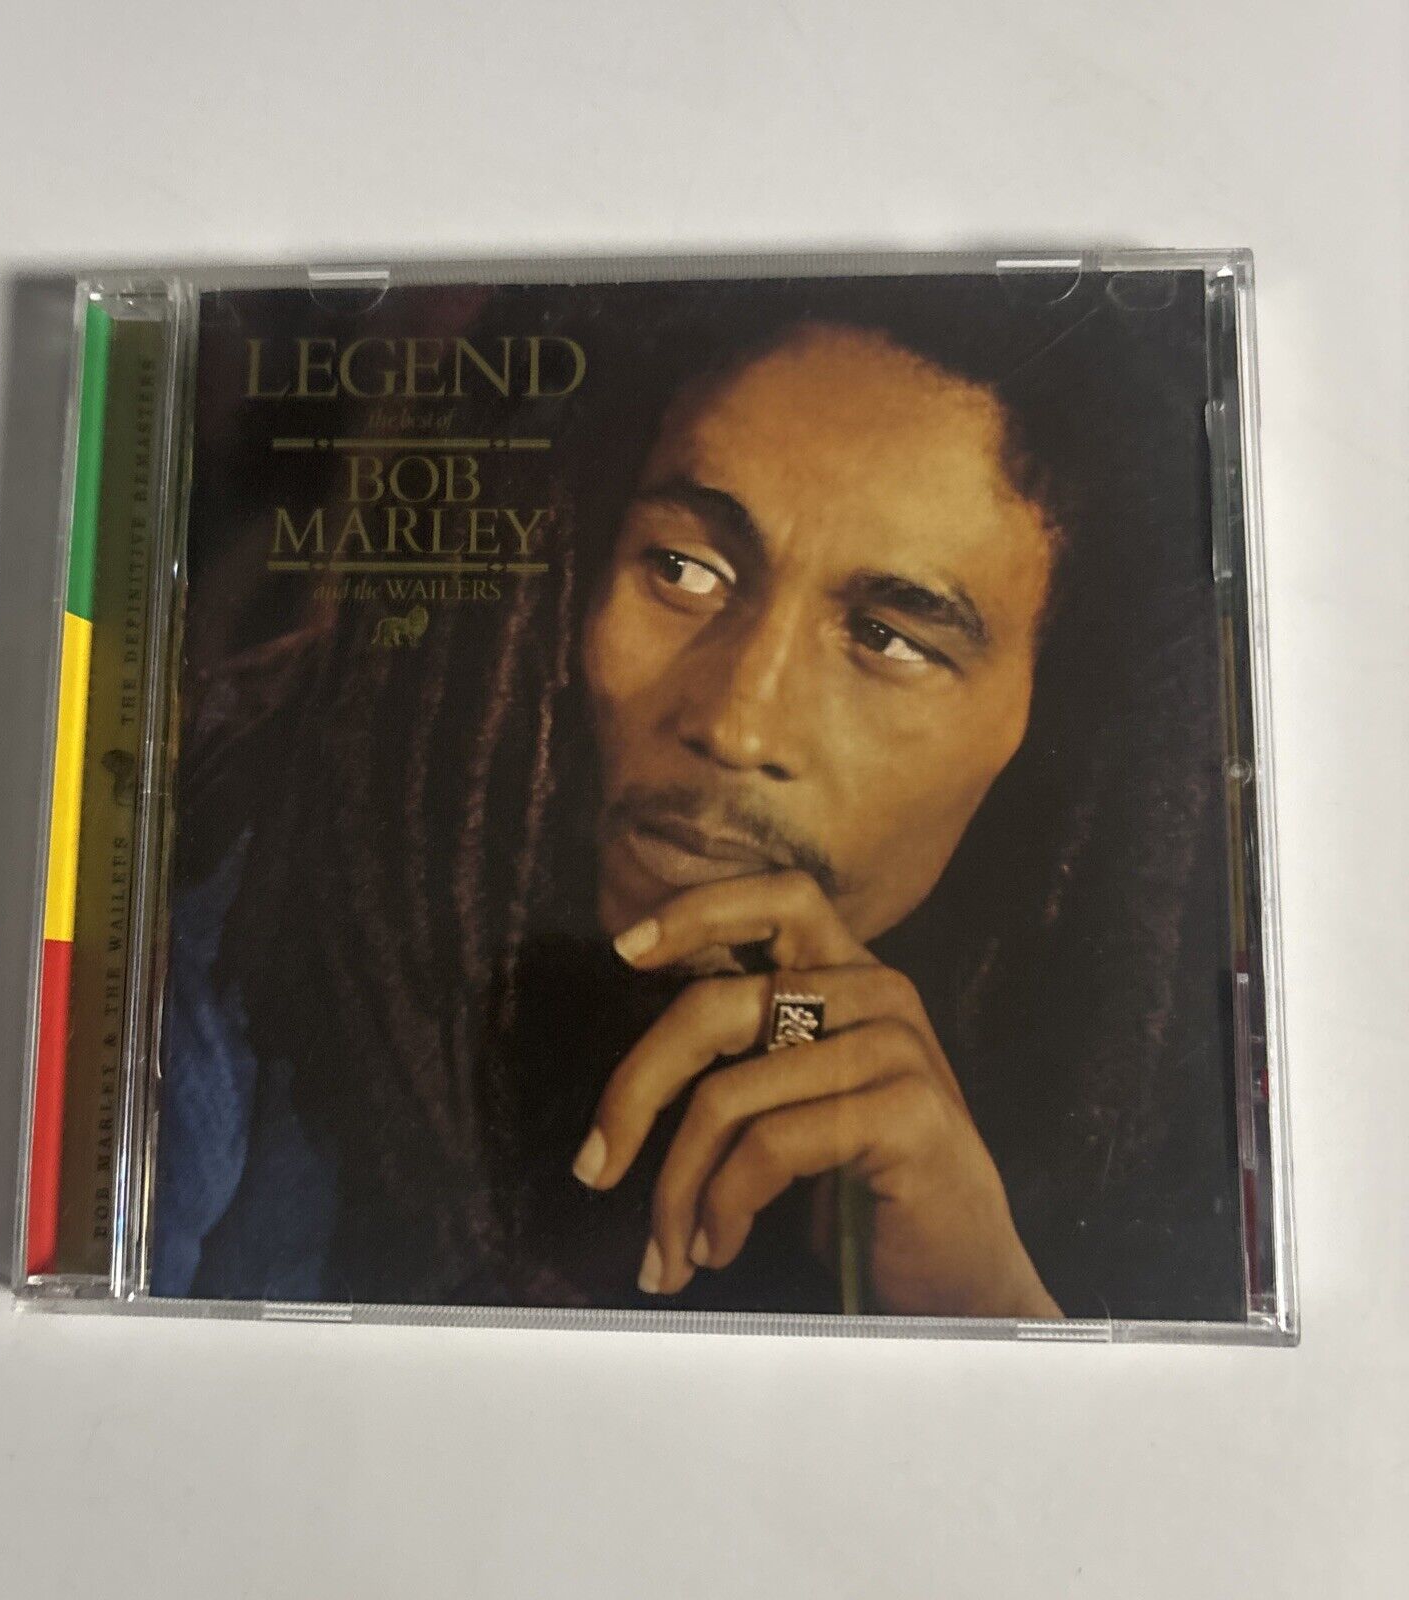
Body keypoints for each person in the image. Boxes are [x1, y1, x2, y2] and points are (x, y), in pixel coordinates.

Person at [154, 282, 1244, 1321]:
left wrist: (989, 1308)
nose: (737, 723)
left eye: (887, 639)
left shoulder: (1156, 1131)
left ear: (1042, 737)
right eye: (682, 570)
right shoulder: (220, 963)